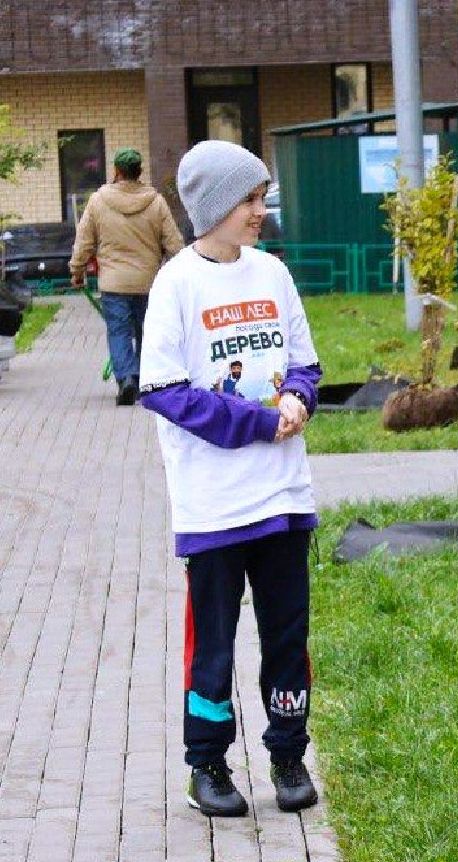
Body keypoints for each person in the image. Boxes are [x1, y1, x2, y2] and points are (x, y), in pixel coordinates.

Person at [138, 141, 323, 818]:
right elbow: (162, 389)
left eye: (261, 197)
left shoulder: (272, 274)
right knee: (212, 642)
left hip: (283, 498)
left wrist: (299, 397)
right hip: (213, 507)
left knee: (286, 636)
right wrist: (254, 422)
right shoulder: (177, 286)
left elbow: (304, 361)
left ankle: (287, 752)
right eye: (251, 199)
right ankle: (208, 763)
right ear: (215, 206)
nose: (260, 211)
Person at [69, 148, 184, 406]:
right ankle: (145, 381)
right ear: (139, 171)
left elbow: (84, 242)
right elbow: (175, 244)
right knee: (148, 332)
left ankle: (126, 379)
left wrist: (77, 271)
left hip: (114, 284)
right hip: (149, 283)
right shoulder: (155, 201)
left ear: (117, 172)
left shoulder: (98, 201)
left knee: (119, 331)